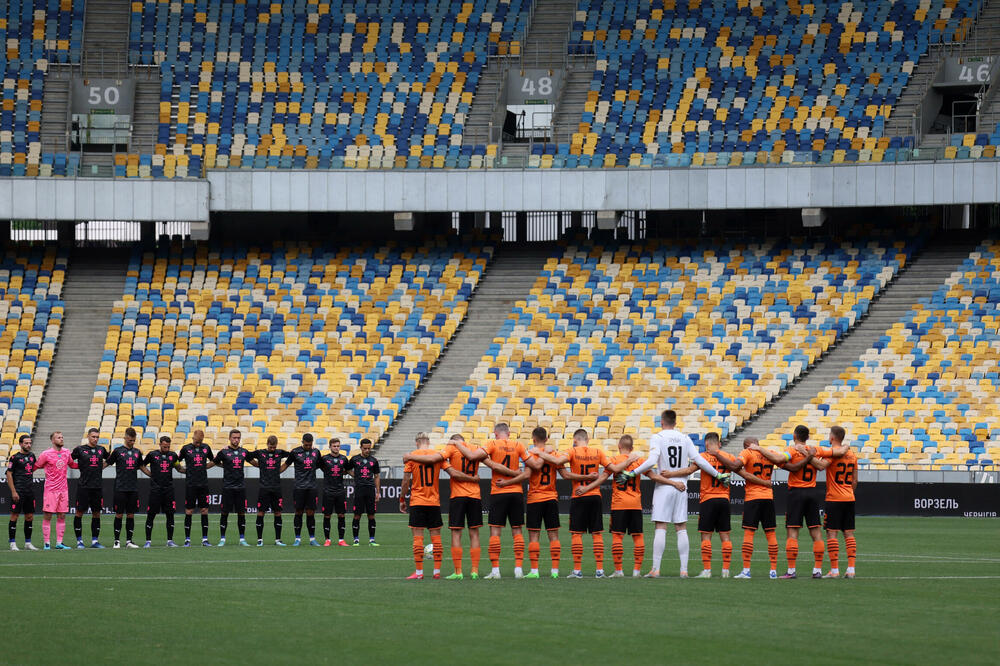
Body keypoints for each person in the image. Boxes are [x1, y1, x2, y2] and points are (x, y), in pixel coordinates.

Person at [624, 410, 730, 577]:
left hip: (664, 486)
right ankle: (684, 570)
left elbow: (652, 461)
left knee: (661, 526)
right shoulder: (685, 438)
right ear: (675, 422)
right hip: (682, 486)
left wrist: (633, 472)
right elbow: (700, 460)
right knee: (681, 527)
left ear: (662, 422)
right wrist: (718, 474)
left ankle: (656, 569)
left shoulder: (658, 437)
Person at [576, 434, 662, 578]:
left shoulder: (614, 461)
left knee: (617, 537)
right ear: (632, 448)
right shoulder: (640, 461)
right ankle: (636, 571)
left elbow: (602, 478)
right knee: (638, 537)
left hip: (619, 504)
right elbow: (654, 477)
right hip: (635, 504)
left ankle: (619, 571)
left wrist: (586, 488)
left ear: (619, 447)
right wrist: (672, 481)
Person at [452, 422, 530, 579]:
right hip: (516, 493)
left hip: (498, 492)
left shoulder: (492, 444)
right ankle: (519, 569)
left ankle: (496, 571)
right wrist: (513, 478)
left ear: (495, 433)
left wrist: (455, 443)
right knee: (517, 531)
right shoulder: (519, 445)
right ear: (508, 433)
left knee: (495, 532)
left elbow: (473, 456)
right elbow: (528, 472)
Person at [403, 434, 483, 580]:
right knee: (439, 537)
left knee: (418, 537)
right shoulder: (440, 457)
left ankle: (420, 573)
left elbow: (406, 481)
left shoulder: (412, 457)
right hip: (435, 502)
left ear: (416, 443)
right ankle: (438, 572)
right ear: (428, 442)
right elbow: (452, 472)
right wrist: (473, 479)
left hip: (418, 501)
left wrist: (402, 499)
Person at [754, 425, 825, 579]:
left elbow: (779, 459)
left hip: (796, 493)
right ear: (807, 437)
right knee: (816, 532)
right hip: (812, 492)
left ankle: (791, 571)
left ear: (794, 436)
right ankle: (817, 570)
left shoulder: (792, 450)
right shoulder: (814, 450)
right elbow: (821, 466)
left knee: (792, 532)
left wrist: (760, 449)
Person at [539, 429, 609, 578]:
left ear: (575, 440)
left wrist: (539, 453)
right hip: (595, 495)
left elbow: (558, 463)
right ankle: (600, 570)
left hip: (578, 495)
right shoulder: (598, 452)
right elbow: (609, 470)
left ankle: (577, 570)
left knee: (577, 533)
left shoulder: (571, 451)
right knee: (597, 534)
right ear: (587, 439)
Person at [804, 426, 858, 578]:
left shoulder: (832, 453)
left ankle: (834, 570)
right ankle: (851, 569)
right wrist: (848, 492)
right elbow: (855, 480)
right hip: (849, 497)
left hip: (834, 498)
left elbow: (820, 466)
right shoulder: (852, 454)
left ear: (832, 438)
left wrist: (806, 454)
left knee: (831, 533)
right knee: (849, 533)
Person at [693, 432, 742, 578]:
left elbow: (689, 471)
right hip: (724, 499)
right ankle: (725, 570)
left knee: (706, 536)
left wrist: (670, 475)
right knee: (725, 536)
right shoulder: (729, 457)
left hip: (708, 499)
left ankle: (707, 570)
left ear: (706, 444)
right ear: (719, 444)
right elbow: (740, 470)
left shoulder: (702, 457)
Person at [516, 427, 561, 579]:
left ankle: (534, 571)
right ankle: (555, 571)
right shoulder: (553, 453)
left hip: (535, 497)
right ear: (547, 439)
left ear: (533, 438)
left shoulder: (530, 454)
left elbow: (526, 474)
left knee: (534, 536)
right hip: (551, 497)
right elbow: (564, 473)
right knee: (553, 535)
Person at [735, 437, 781, 579]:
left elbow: (736, 465)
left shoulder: (747, 453)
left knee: (749, 533)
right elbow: (780, 460)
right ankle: (773, 570)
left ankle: (746, 570)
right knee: (771, 534)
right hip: (768, 497)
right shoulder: (770, 452)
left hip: (753, 497)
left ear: (747, 445)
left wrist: (741, 472)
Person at [34, 432, 77, 549]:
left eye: (62, 437)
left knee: (62, 515)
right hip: (51, 490)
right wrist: (24, 475)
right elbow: (36, 466)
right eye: (59, 437)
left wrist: (85, 465)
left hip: (63, 489)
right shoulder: (45, 454)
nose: (61, 439)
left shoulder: (67, 452)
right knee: (48, 515)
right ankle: (47, 543)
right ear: (52, 440)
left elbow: (72, 465)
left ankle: (59, 543)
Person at [248, 435, 289, 546]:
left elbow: (292, 456)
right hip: (264, 488)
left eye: (274, 447)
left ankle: (278, 540)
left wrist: (282, 468)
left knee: (278, 512)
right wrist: (258, 465)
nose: (272, 449)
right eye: (271, 447)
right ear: (267, 444)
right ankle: (260, 540)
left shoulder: (280, 452)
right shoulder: (260, 453)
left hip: (276, 488)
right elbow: (247, 456)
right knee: (261, 512)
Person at [71, 428, 109, 548]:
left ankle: (94, 541)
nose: (95, 439)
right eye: (93, 436)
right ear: (88, 436)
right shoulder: (80, 449)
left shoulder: (101, 449)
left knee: (96, 513)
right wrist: (80, 466)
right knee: (79, 512)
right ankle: (79, 541)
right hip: (84, 486)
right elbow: (68, 460)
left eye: (97, 437)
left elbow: (110, 459)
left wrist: (100, 467)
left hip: (97, 487)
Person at [106, 427, 143, 549]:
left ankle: (129, 541)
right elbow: (107, 463)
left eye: (134, 440)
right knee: (119, 514)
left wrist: (154, 475)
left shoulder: (138, 452)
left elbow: (142, 467)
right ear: (125, 438)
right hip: (120, 488)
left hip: (133, 488)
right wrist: (92, 469)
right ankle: (116, 541)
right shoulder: (117, 451)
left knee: (131, 515)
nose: (132, 442)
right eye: (130, 440)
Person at [283, 433, 322, 546]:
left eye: (310, 445)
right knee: (299, 512)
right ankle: (298, 539)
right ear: (302, 442)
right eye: (306, 445)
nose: (308, 447)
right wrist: (275, 473)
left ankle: (312, 539)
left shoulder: (316, 452)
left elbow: (320, 464)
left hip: (312, 487)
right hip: (299, 487)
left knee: (311, 513)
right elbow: (286, 464)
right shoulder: (295, 452)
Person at [213, 429, 251, 547]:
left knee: (241, 513)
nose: (236, 440)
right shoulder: (224, 452)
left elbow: (254, 462)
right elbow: (215, 462)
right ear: (230, 438)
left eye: (238, 438)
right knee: (224, 513)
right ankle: (222, 539)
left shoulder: (244, 452)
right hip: (228, 487)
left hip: (240, 487)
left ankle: (242, 539)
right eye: (234, 438)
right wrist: (225, 465)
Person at [176, 429, 214, 546]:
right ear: (193, 438)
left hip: (203, 484)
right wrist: (182, 470)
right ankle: (187, 539)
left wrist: (204, 467)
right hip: (191, 484)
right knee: (189, 511)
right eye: (197, 442)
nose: (199, 444)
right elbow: (176, 461)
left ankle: (205, 539)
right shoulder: (186, 448)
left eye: (200, 442)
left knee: (204, 510)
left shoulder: (206, 447)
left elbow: (214, 460)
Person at [140, 435, 180, 547]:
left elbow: (178, 467)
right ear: (160, 444)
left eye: (168, 446)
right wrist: (150, 474)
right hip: (155, 489)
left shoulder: (173, 456)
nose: (166, 449)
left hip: (168, 489)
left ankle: (170, 541)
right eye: (164, 447)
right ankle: (148, 541)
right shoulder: (152, 455)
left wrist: (190, 471)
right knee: (151, 515)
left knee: (170, 515)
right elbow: (142, 465)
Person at [7, 435, 38, 551]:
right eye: (26, 443)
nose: (28, 445)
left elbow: (31, 469)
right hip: (18, 491)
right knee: (14, 516)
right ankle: (12, 543)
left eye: (30, 443)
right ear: (20, 444)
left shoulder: (32, 456)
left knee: (29, 517)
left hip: (29, 491)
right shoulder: (14, 457)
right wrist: (14, 491)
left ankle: (28, 543)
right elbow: (9, 474)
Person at [348, 439, 381, 546]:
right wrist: (356, 476)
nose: (367, 450)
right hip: (359, 490)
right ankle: (356, 540)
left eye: (369, 448)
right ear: (361, 448)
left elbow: (376, 476)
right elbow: (347, 469)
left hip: (370, 490)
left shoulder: (374, 460)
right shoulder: (354, 459)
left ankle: (372, 540)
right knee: (357, 515)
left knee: (371, 515)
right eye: (365, 448)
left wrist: (378, 492)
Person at [319, 438, 351, 547]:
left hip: (340, 491)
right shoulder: (324, 459)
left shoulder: (344, 459)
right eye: (334, 446)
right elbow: (320, 467)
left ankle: (341, 540)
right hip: (328, 491)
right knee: (327, 515)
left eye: (338, 446)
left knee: (341, 515)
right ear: (330, 447)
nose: (336, 448)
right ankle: (327, 540)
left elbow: (348, 470)